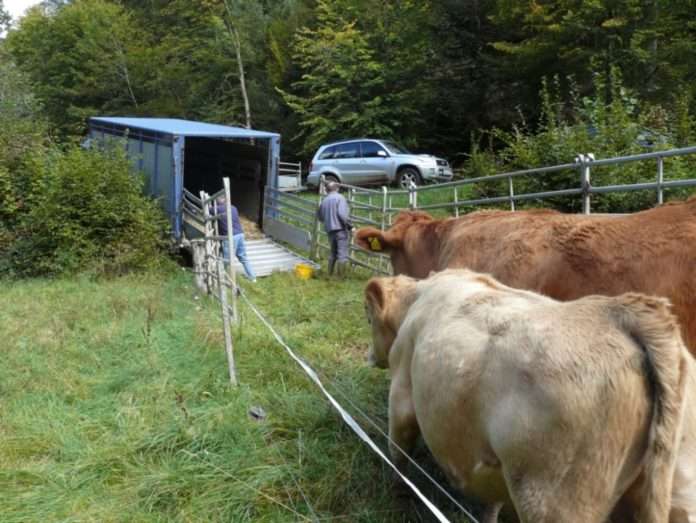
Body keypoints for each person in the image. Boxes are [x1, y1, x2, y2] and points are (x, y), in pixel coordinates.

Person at [213, 196, 256, 282]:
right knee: (243, 257)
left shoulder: (217, 209)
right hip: (240, 234)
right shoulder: (233, 208)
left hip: (230, 237)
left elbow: (207, 211)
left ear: (217, 203)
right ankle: (252, 277)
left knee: (226, 259)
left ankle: (223, 277)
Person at [317, 181, 352, 276]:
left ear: (327, 190)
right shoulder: (340, 198)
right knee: (342, 254)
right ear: (337, 189)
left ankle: (329, 274)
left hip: (330, 230)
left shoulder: (324, 201)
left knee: (333, 253)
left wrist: (329, 220)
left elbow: (320, 217)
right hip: (340, 229)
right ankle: (340, 277)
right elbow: (342, 214)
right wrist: (350, 226)